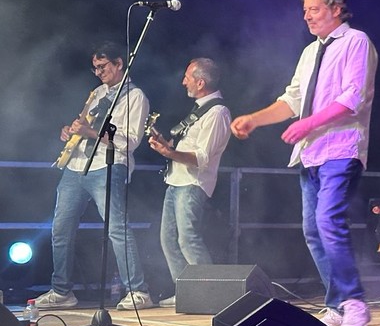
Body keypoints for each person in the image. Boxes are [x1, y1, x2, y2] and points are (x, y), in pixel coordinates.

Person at [230, 0, 377, 326]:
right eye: (305, 10)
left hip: (341, 148)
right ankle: (337, 305)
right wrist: (254, 119)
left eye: (314, 9)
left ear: (336, 8)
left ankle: (354, 302)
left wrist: (307, 124)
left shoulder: (356, 41)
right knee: (313, 230)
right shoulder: (311, 52)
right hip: (311, 154)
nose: (307, 16)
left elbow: (351, 99)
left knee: (328, 221)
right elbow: (292, 99)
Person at [33, 42, 153, 311]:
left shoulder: (135, 97)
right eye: (95, 68)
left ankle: (138, 290)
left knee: (117, 228)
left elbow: (129, 141)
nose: (98, 72)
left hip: (108, 165)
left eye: (103, 66)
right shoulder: (97, 93)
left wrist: (90, 132)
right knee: (60, 228)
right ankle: (62, 291)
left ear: (119, 63)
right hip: (76, 165)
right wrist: (71, 130)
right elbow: (84, 125)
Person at [148, 58, 232, 308]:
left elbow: (202, 158)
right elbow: (187, 147)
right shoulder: (201, 109)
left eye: (187, 77)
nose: (183, 81)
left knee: (188, 239)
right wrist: (166, 146)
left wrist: (169, 153)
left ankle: (209, 295)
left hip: (193, 183)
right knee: (168, 239)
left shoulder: (217, 112)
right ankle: (187, 293)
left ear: (201, 82)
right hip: (176, 180)